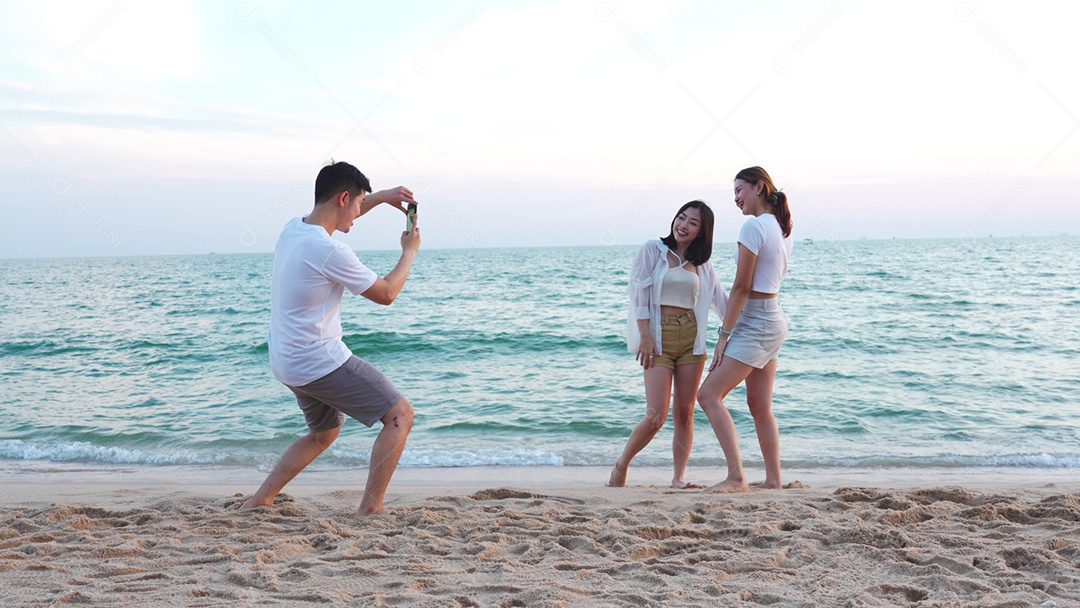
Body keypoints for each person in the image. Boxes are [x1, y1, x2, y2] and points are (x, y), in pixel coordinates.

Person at [241, 161, 420, 516]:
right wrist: (408, 252)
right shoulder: (331, 252)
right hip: (317, 361)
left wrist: (380, 198)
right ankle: (372, 507)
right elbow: (386, 294)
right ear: (342, 198)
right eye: (357, 203)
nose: (358, 213)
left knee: (323, 434)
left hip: (286, 361)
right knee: (400, 416)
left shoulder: (293, 229)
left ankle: (261, 499)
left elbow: (338, 215)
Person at [608, 201, 728, 489]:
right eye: (681, 217)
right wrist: (645, 336)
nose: (683, 225)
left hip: (691, 339)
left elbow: (722, 301)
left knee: (685, 413)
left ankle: (678, 478)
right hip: (657, 337)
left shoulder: (702, 264)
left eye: (693, 223)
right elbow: (638, 292)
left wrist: (748, 324)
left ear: (702, 231)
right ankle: (621, 465)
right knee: (655, 416)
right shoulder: (653, 249)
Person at [697, 166, 793, 493]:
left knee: (708, 395)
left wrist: (723, 336)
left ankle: (737, 476)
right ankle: (773, 479)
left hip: (756, 321)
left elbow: (741, 287)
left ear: (760, 187)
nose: (736, 199)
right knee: (759, 406)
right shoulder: (780, 229)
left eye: (740, 190)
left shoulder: (753, 226)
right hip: (774, 319)